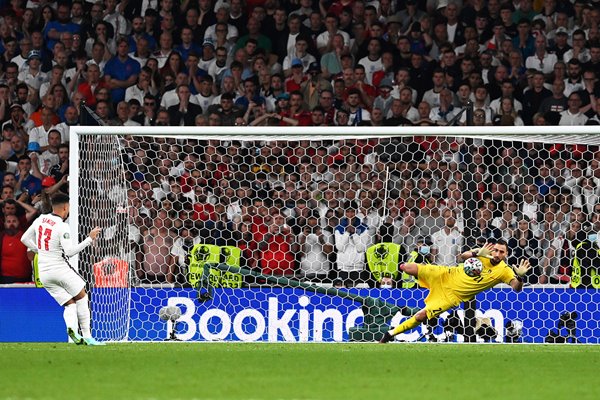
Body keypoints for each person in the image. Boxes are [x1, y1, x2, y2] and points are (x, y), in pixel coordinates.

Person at [380, 240, 531, 343]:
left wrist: (520, 277)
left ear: (506, 254)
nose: (497, 254)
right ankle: (397, 273)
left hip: (451, 296)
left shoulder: (504, 271)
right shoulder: (483, 254)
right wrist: (477, 252)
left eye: (502, 252)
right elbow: (463, 256)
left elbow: (516, 288)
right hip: (446, 274)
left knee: (421, 315)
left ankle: (389, 334)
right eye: (496, 250)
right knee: (406, 268)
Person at [20, 193, 104, 346]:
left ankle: (72, 337)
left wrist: (39, 250)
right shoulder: (62, 226)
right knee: (82, 296)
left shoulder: (40, 220)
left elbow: (24, 239)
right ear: (65, 207)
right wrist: (89, 239)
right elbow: (70, 252)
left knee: (69, 304)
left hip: (44, 273)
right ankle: (88, 336)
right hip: (59, 268)